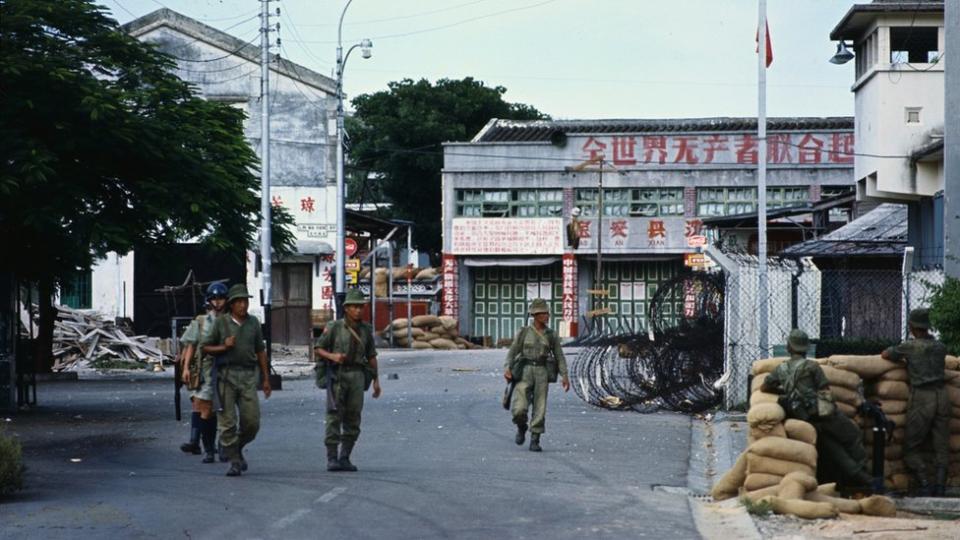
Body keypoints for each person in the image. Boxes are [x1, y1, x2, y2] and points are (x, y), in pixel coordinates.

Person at [762, 329, 872, 489]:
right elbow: (824, 390)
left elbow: (765, 387)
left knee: (834, 448)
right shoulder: (812, 367)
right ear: (806, 348)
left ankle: (859, 478)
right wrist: (830, 414)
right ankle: (864, 477)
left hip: (803, 417)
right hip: (822, 414)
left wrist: (784, 392)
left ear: (789, 348)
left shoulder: (781, 369)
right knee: (853, 435)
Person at [201, 283, 271, 477]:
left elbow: (260, 351)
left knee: (252, 422)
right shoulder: (221, 323)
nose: (243, 305)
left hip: (248, 375)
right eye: (238, 302)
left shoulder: (253, 323)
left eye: (245, 301)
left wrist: (266, 378)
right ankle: (234, 460)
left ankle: (236, 446)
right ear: (231, 304)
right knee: (227, 423)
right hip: (226, 376)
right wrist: (223, 347)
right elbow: (205, 347)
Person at [882, 308, 949, 496]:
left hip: (922, 398)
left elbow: (886, 354)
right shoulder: (940, 347)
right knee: (942, 445)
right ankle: (941, 487)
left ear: (912, 327)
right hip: (942, 396)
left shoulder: (909, 347)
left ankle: (925, 484)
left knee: (910, 447)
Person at [313, 289, 381, 472]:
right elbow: (318, 348)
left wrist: (376, 380)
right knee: (334, 416)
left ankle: (345, 457)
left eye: (360, 306)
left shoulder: (366, 330)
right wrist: (333, 357)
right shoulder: (334, 327)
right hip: (337, 376)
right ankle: (332, 458)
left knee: (353, 417)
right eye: (354, 307)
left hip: (357, 376)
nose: (358, 310)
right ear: (346, 308)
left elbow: (371, 356)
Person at [503, 298, 569, 452]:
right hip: (524, 371)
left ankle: (535, 438)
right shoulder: (524, 332)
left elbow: (559, 356)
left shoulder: (551, 335)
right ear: (535, 315)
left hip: (542, 372)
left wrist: (564, 376)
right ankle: (521, 426)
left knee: (540, 407)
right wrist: (507, 368)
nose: (547, 316)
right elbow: (513, 352)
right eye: (543, 313)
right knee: (519, 408)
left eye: (547, 313)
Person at [178, 282, 228, 463]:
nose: (218, 302)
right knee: (203, 407)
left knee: (224, 409)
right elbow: (190, 345)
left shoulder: (231, 321)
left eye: (221, 298)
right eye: (214, 298)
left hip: (226, 369)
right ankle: (205, 447)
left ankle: (222, 447)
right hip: (204, 369)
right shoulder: (201, 322)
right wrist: (185, 368)